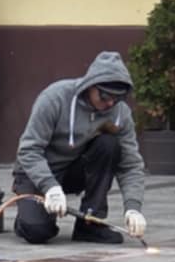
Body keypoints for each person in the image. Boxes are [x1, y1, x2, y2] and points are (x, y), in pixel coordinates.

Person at [13, 52, 147, 245]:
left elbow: (131, 165)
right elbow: (28, 150)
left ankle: (90, 224)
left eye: (117, 98)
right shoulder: (55, 98)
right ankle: (25, 220)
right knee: (37, 232)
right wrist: (50, 186)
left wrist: (133, 207)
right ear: (90, 85)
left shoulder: (120, 113)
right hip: (38, 172)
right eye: (105, 96)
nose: (110, 103)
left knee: (108, 145)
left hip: (74, 170)